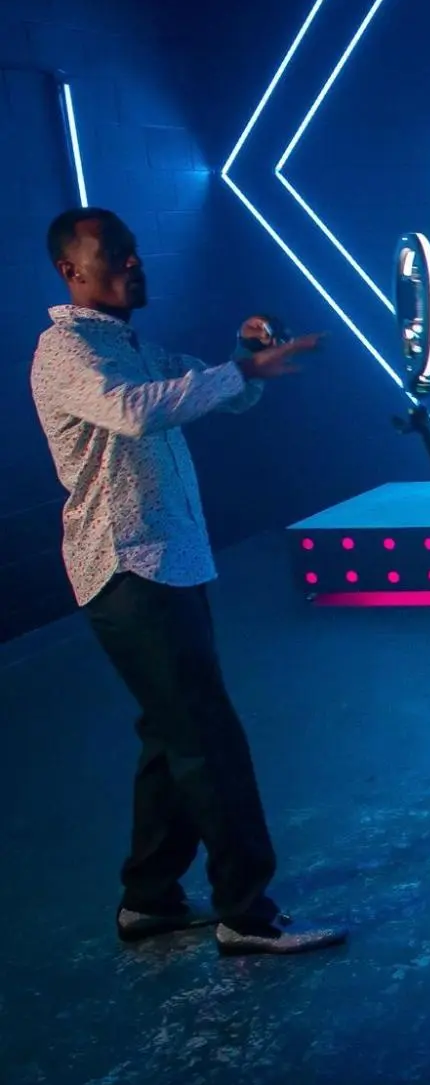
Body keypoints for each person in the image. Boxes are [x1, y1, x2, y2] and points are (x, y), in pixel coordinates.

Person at [30, 208, 345, 955]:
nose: (135, 263)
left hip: (166, 560)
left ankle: (148, 900)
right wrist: (235, 369)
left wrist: (241, 357)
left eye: (135, 251)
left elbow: (220, 395)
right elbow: (133, 414)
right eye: (114, 254)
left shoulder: (129, 345)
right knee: (206, 736)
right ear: (71, 271)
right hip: (127, 567)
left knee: (170, 735)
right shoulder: (66, 349)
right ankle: (247, 914)